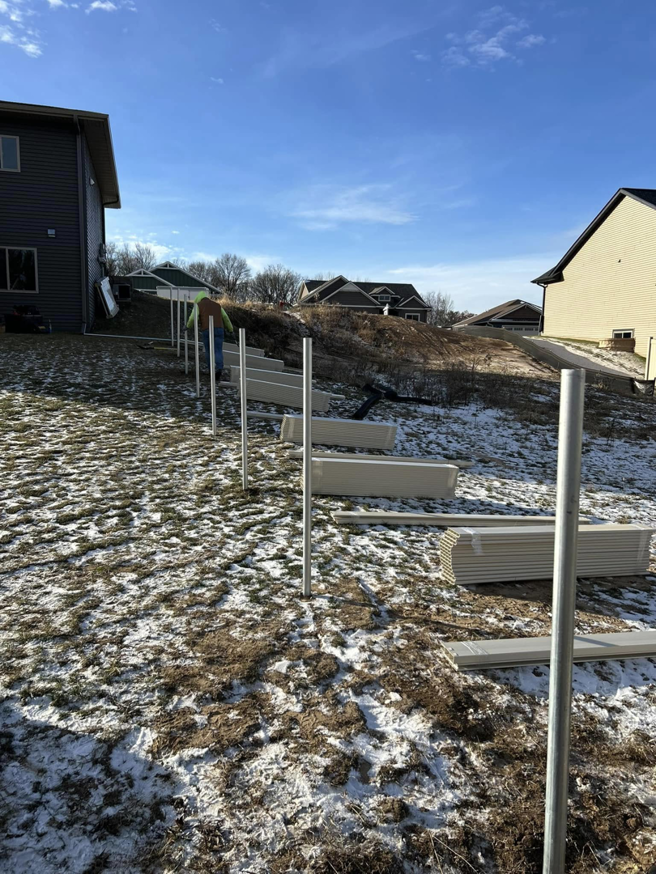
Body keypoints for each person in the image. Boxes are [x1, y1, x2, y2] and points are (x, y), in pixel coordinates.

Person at [186, 291, 233, 374]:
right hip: (219, 329)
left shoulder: (198, 305)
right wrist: (230, 329)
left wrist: (188, 326)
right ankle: (219, 368)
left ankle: (211, 370)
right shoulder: (218, 305)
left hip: (207, 329)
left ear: (198, 299)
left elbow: (193, 318)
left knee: (208, 350)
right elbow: (225, 317)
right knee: (218, 350)